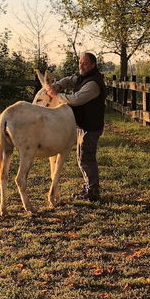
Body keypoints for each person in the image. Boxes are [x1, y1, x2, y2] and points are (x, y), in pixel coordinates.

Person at [46, 52, 106, 202]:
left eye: (85, 63)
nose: (81, 65)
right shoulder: (83, 76)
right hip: (83, 124)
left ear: (93, 65)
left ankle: (93, 192)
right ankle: (89, 187)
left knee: (86, 157)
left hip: (91, 126)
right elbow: (69, 80)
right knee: (82, 157)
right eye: (80, 62)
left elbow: (76, 99)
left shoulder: (93, 83)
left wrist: (56, 96)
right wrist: (58, 85)